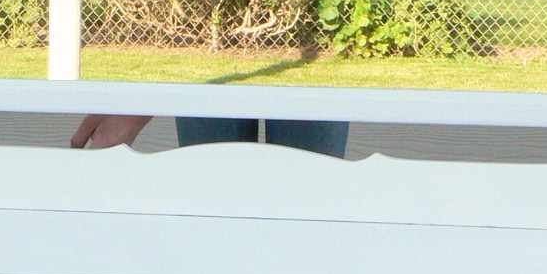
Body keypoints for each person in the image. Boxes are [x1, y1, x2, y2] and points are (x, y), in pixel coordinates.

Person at [71, 114, 348, 156]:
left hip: (320, 36)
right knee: (215, 216)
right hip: (211, 69)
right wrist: (135, 106)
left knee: (311, 221)